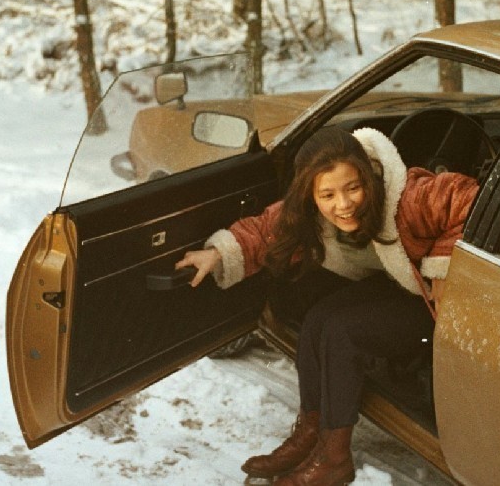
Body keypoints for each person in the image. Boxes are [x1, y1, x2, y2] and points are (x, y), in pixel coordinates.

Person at [176, 126, 479, 486]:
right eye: (328, 194)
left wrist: (443, 266)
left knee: (343, 332)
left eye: (353, 187)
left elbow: (470, 198)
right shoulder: (310, 214)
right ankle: (310, 434)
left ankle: (334, 460)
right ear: (311, 195)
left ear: (368, 176)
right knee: (318, 318)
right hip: (398, 285)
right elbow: (266, 228)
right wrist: (217, 253)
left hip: (433, 302)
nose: (344, 204)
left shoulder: (408, 195)